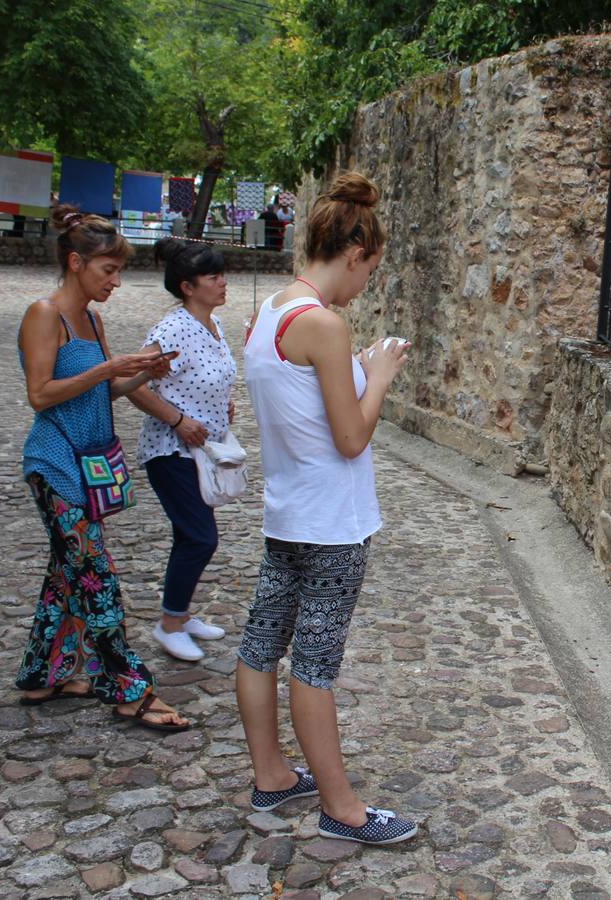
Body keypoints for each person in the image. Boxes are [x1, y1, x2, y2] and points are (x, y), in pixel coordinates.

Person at [236, 172, 416, 845]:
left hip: (286, 513)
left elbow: (303, 413)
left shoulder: (271, 315)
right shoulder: (325, 325)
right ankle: (343, 810)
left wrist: (358, 369)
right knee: (314, 663)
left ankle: (272, 774)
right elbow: (350, 437)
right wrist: (383, 378)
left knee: (261, 646)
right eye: (371, 268)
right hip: (332, 525)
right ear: (355, 254)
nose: (367, 282)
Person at [16, 204, 191, 733]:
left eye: (118, 271)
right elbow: (40, 395)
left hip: (89, 461)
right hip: (55, 462)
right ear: (75, 262)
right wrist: (107, 367)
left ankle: (43, 674)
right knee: (94, 577)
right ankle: (128, 687)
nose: (115, 280)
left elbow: (106, 388)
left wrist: (141, 373)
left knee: (66, 575)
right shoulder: (44, 314)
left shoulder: (91, 318)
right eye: (108, 270)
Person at [130, 238, 235, 662]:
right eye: (214, 277)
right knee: (199, 537)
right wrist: (178, 419)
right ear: (188, 286)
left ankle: (180, 612)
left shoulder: (213, 324)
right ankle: (169, 624)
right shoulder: (172, 328)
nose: (223, 282)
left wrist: (221, 403)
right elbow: (133, 382)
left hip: (201, 450)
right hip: (170, 450)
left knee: (188, 534)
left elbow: (205, 377)